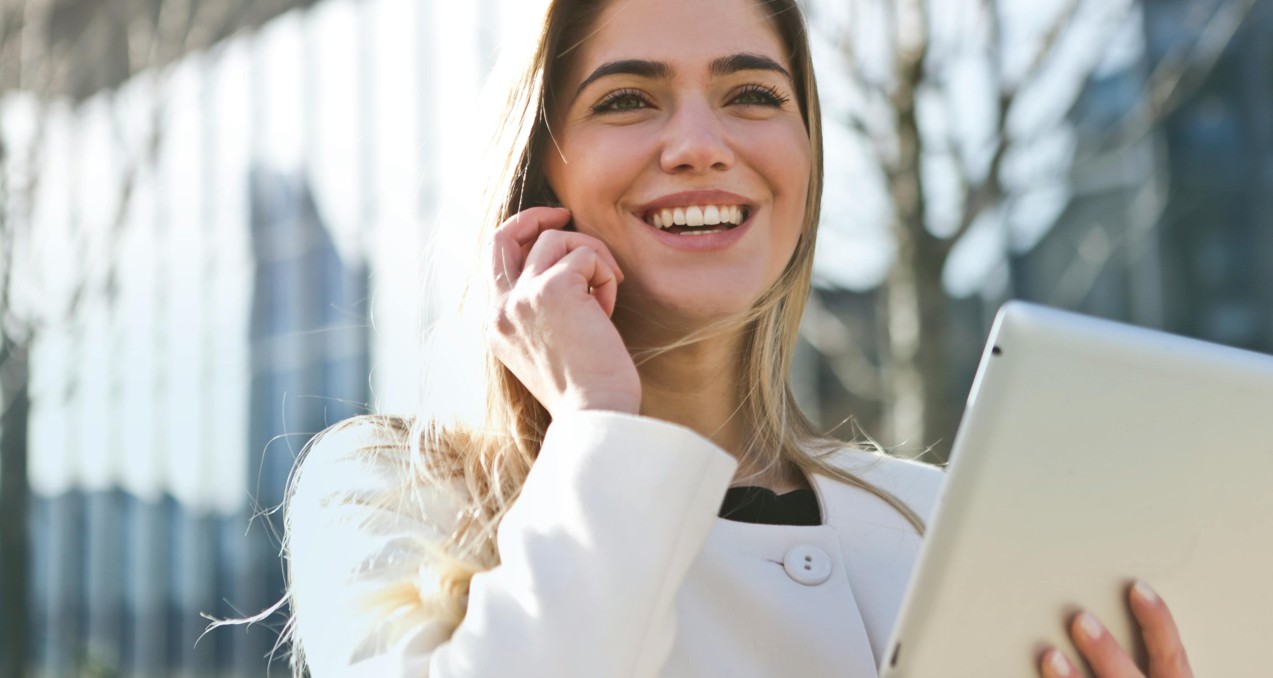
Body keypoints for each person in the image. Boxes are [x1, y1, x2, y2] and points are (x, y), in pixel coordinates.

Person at [283, 0, 1194, 676]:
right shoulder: (386, 493)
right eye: (628, 99)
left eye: (752, 93)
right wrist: (600, 422)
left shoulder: (934, 519)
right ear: (536, 169)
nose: (698, 144)